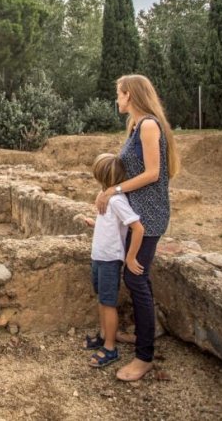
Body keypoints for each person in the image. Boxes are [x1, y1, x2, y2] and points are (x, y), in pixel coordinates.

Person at [94, 74, 180, 382]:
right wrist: (108, 188)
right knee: (136, 277)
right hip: (136, 212)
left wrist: (114, 192)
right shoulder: (135, 125)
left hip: (150, 214)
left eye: (118, 94)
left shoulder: (148, 125)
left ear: (129, 94)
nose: (117, 99)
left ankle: (144, 357)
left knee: (135, 276)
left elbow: (154, 173)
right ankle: (148, 332)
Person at [80, 153, 144, 368]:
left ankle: (110, 347)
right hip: (98, 256)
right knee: (102, 299)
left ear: (102, 176)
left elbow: (137, 227)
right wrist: (94, 223)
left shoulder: (117, 200)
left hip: (109, 259)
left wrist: (131, 256)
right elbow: (110, 225)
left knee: (108, 303)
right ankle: (103, 334)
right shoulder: (105, 196)